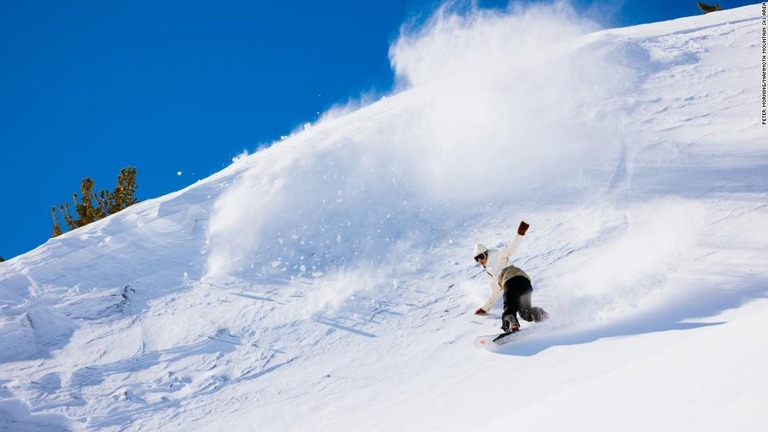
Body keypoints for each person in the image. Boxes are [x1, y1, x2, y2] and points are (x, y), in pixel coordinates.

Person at [473, 220, 549, 332]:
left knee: (509, 309)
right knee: (525, 313)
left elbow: (511, 247)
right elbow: (494, 294)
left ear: (486, 253)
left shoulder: (498, 255)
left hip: (511, 281)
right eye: (477, 259)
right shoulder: (490, 274)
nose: (480, 261)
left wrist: (520, 233)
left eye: (481, 256)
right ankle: (543, 316)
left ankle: (511, 326)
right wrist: (485, 308)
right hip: (524, 283)